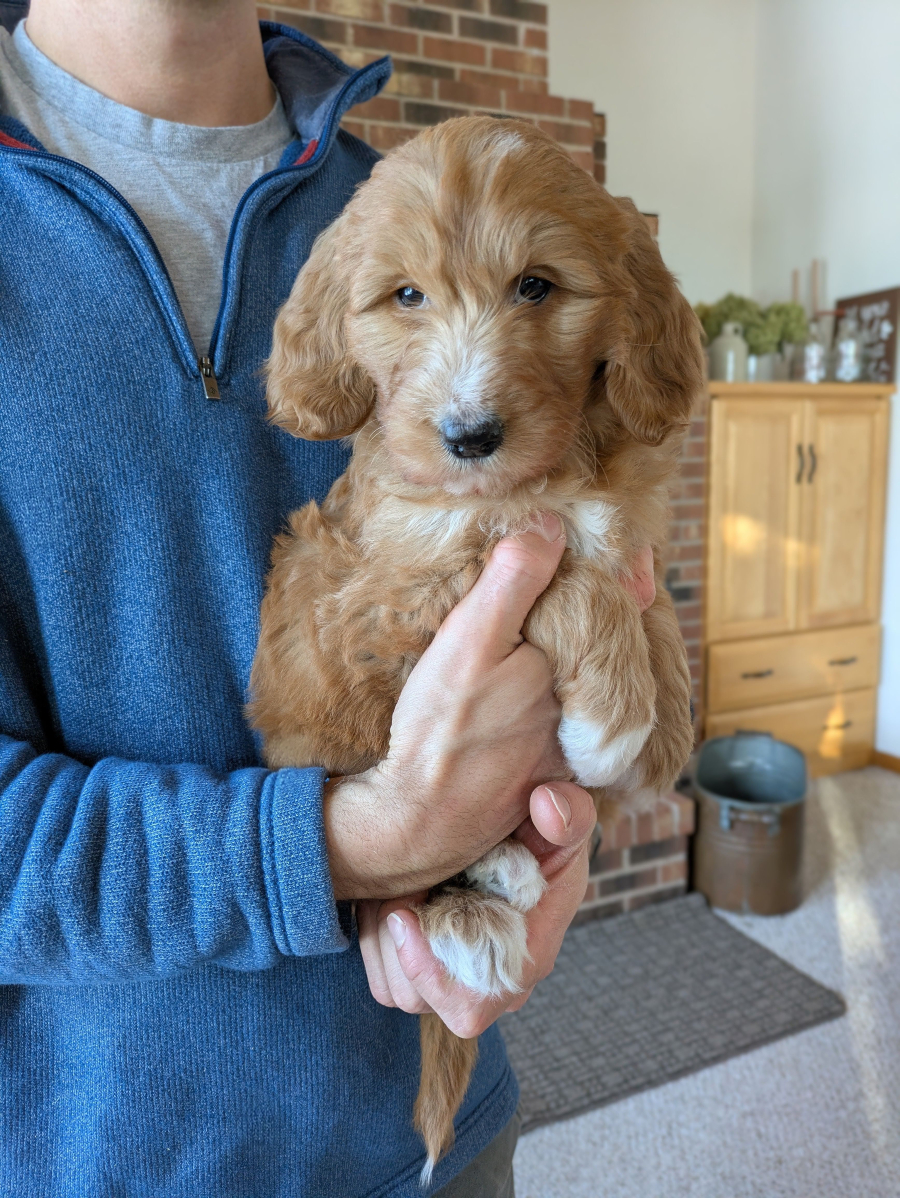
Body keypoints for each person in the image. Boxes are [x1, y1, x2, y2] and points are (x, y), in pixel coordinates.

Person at [0, 1, 655, 1194]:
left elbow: (575, 557)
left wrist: (546, 818)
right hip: (87, 1159)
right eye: (406, 304)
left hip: (440, 1142)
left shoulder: (395, 189)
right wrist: (361, 842)